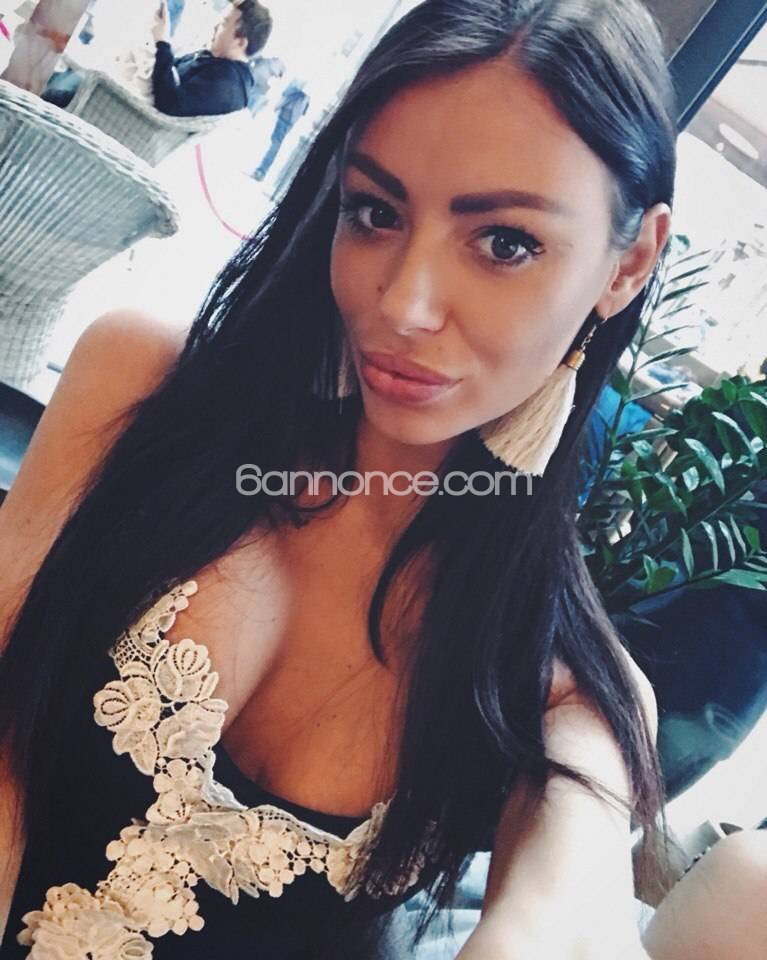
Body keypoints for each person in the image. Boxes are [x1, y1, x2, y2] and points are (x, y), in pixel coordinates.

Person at [1, 0, 759, 957]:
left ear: (630, 262)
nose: (402, 303)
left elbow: (563, 912)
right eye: (375, 212)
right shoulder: (141, 388)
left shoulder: (560, 686)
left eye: (505, 243)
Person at [151, 0, 271, 117]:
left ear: (240, 43)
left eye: (224, 24)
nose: (215, 27)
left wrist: (162, 43)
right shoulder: (217, 60)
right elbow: (173, 65)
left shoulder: (226, 84)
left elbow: (168, 102)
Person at [251, 76, 309, 180]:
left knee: (275, 144)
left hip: (285, 118)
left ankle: (261, 171)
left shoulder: (302, 85)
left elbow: (288, 93)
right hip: (287, 119)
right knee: (274, 144)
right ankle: (261, 171)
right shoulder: (305, 89)